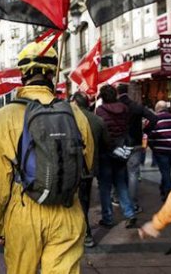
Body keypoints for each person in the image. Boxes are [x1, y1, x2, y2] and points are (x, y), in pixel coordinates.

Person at [0, 41, 94, 274]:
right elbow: (87, 162)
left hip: (24, 209)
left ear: (23, 74)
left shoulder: (5, 116)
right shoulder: (74, 112)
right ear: (53, 72)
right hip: (67, 208)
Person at [72, 91, 110, 248]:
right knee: (85, 199)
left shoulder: (69, 119)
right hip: (90, 167)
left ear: (75, 103)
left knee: (76, 201)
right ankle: (84, 231)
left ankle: (85, 232)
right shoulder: (98, 120)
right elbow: (106, 144)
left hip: (73, 167)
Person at [96, 85, 137, 228]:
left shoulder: (100, 111)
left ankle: (107, 218)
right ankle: (130, 213)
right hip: (121, 149)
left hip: (106, 152)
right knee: (121, 184)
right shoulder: (124, 109)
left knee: (105, 187)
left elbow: (101, 131)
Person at [117, 84, 157, 212]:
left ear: (118, 92)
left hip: (120, 144)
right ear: (127, 92)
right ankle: (132, 204)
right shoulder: (136, 106)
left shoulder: (115, 106)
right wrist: (145, 130)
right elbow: (154, 118)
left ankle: (119, 199)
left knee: (119, 173)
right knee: (133, 174)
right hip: (135, 143)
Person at [145, 101, 171, 201]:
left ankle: (170, 194)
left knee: (165, 172)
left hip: (161, 149)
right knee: (166, 170)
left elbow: (149, 134)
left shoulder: (154, 119)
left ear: (157, 108)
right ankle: (163, 189)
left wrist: (152, 146)